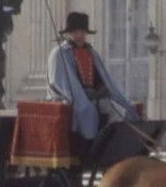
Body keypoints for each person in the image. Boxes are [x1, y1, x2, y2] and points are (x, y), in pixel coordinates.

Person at [47, 11, 140, 150]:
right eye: (75, 32)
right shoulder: (59, 53)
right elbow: (58, 83)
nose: (79, 36)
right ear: (68, 33)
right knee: (87, 111)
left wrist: (101, 89)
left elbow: (100, 75)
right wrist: (82, 95)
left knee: (120, 110)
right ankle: (89, 147)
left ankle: (108, 142)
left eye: (82, 32)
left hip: (94, 96)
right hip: (70, 98)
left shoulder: (91, 52)